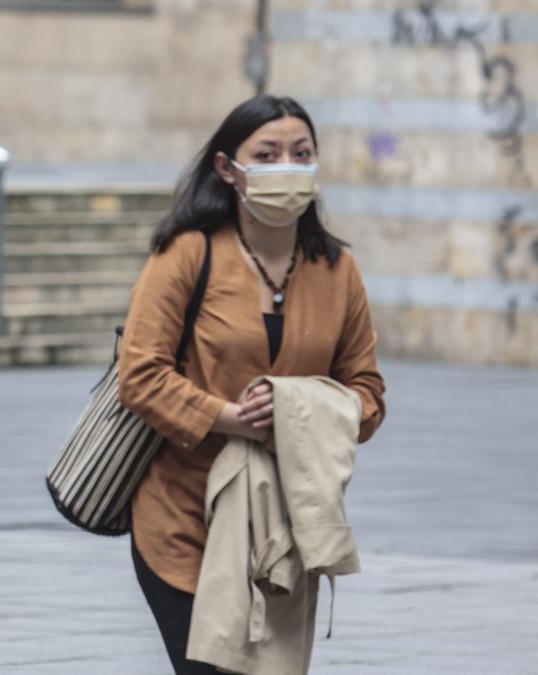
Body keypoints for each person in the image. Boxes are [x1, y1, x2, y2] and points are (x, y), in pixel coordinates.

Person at [117, 95, 387, 673]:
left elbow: (367, 395)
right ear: (227, 168)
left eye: (302, 153)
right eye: (267, 154)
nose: (287, 165)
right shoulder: (188, 254)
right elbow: (140, 374)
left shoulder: (338, 270)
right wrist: (230, 418)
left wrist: (300, 410)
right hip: (182, 518)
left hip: (283, 527)